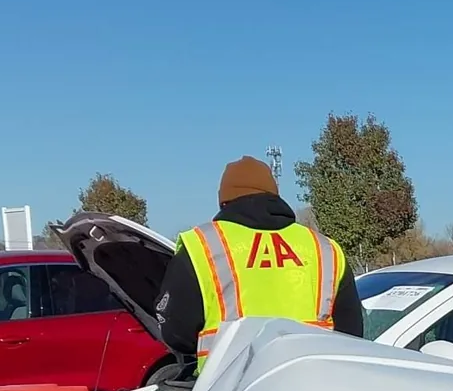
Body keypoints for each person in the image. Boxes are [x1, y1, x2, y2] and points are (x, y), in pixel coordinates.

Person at [155, 156, 364, 369]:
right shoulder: (324, 248)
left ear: (224, 202)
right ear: (275, 197)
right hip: (315, 382)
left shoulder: (203, 246)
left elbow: (177, 333)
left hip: (229, 385)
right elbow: (352, 334)